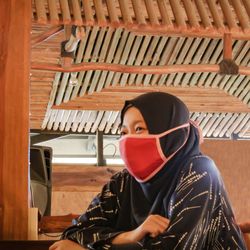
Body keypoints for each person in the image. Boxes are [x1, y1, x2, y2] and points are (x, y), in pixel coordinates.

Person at [49, 92, 246, 250]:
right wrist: (132, 235)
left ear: (174, 135)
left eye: (140, 129)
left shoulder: (201, 172)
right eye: (124, 132)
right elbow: (76, 232)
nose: (129, 140)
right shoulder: (123, 182)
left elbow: (174, 246)